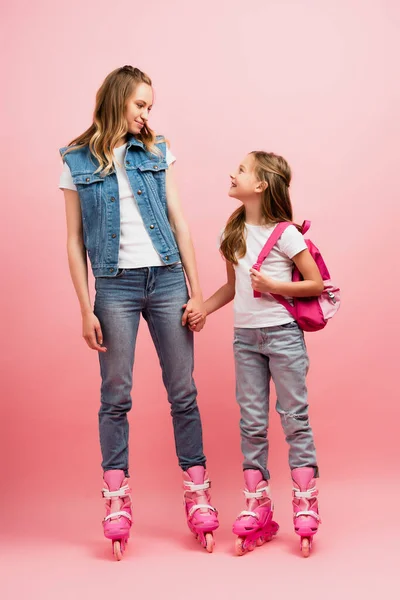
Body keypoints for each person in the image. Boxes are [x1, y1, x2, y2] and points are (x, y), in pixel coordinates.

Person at [59, 65, 219, 559]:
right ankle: (116, 499)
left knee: (183, 390)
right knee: (116, 394)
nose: (147, 114)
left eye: (150, 106)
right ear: (118, 99)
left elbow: (179, 220)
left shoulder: (156, 149)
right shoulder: (75, 159)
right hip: (114, 286)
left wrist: (197, 291)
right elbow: (73, 240)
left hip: (168, 277)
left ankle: (197, 493)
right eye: (140, 104)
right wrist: (85, 307)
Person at [188, 151, 322, 557]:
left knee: (294, 418)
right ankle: (257, 504)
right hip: (245, 340)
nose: (233, 173)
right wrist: (203, 308)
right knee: (252, 422)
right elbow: (233, 288)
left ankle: (305, 503)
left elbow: (314, 284)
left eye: (242, 170)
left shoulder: (287, 234)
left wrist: (275, 286)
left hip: (282, 336)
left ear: (262, 185)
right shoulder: (232, 232)